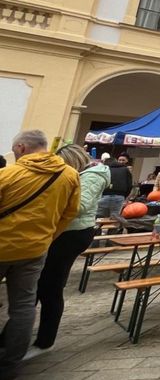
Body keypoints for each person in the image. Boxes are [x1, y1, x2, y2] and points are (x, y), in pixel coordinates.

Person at [0, 130, 80, 376]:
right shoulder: (69, 175)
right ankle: (10, 365)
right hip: (36, 249)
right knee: (23, 306)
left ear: (22, 148)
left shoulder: (8, 173)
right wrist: (47, 237)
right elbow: (70, 212)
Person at [29, 144, 109, 358]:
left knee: (51, 285)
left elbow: (80, 206)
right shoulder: (80, 175)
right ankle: (17, 332)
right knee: (39, 284)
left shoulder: (92, 176)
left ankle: (45, 340)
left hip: (73, 234)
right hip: (62, 231)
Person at [97, 156, 134, 229]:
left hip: (104, 195)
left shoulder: (105, 169)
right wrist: (124, 196)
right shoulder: (125, 170)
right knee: (114, 219)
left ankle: (97, 235)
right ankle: (110, 235)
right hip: (119, 196)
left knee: (99, 218)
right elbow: (130, 185)